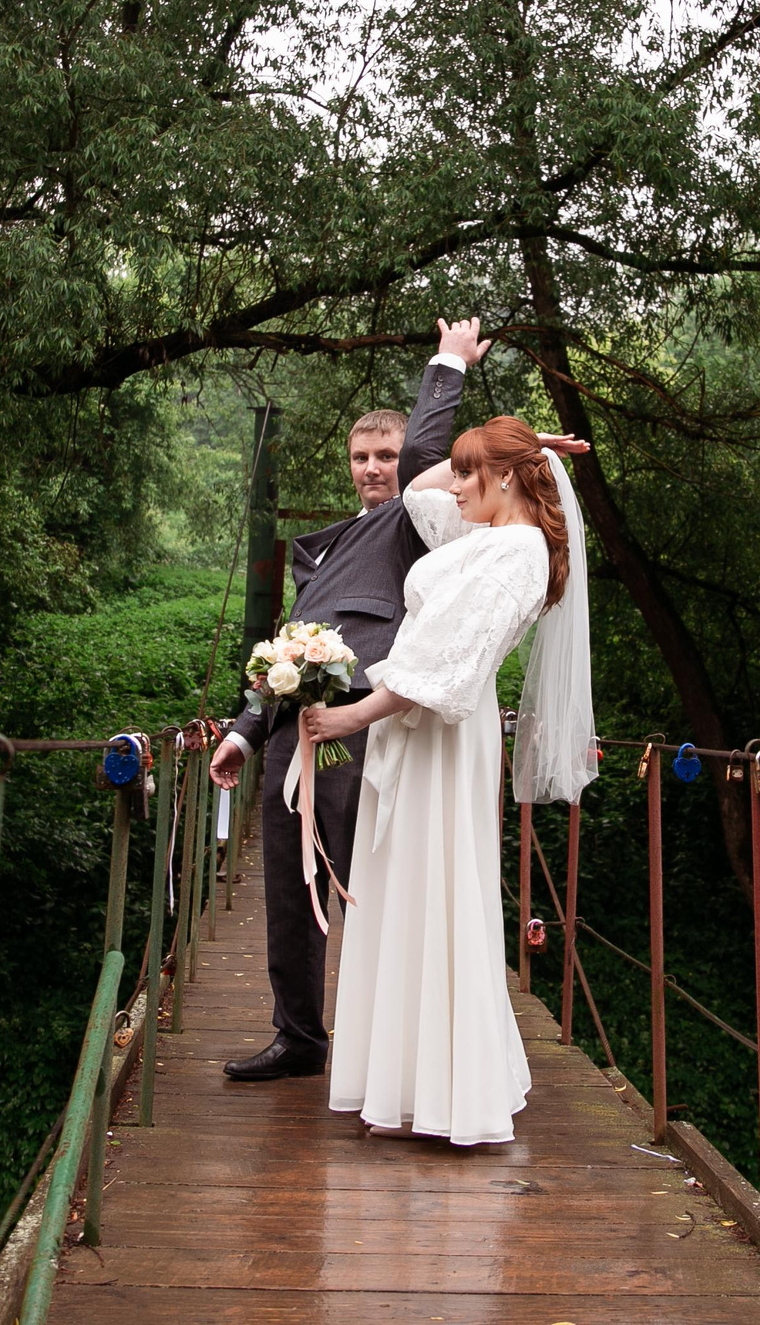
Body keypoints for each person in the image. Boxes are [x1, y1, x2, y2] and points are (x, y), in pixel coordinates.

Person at [300, 416, 596, 1144]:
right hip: (420, 728)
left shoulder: (521, 552)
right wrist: (529, 456)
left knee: (436, 888)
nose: (455, 483)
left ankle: (448, 1094)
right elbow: (418, 493)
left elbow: (447, 659)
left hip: (439, 730)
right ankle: (404, 1082)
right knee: (405, 890)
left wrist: (350, 717)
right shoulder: (483, 535)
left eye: (471, 471)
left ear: (502, 480)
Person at [206, 318, 485, 1082]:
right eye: (363, 457)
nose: (374, 469)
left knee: (367, 883)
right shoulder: (323, 547)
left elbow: (435, 455)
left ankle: (387, 1046)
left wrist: (446, 367)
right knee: (288, 891)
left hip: (361, 729)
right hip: (293, 728)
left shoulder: (415, 526)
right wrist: (243, 731)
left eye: (386, 456)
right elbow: (292, 651)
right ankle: (299, 1035)